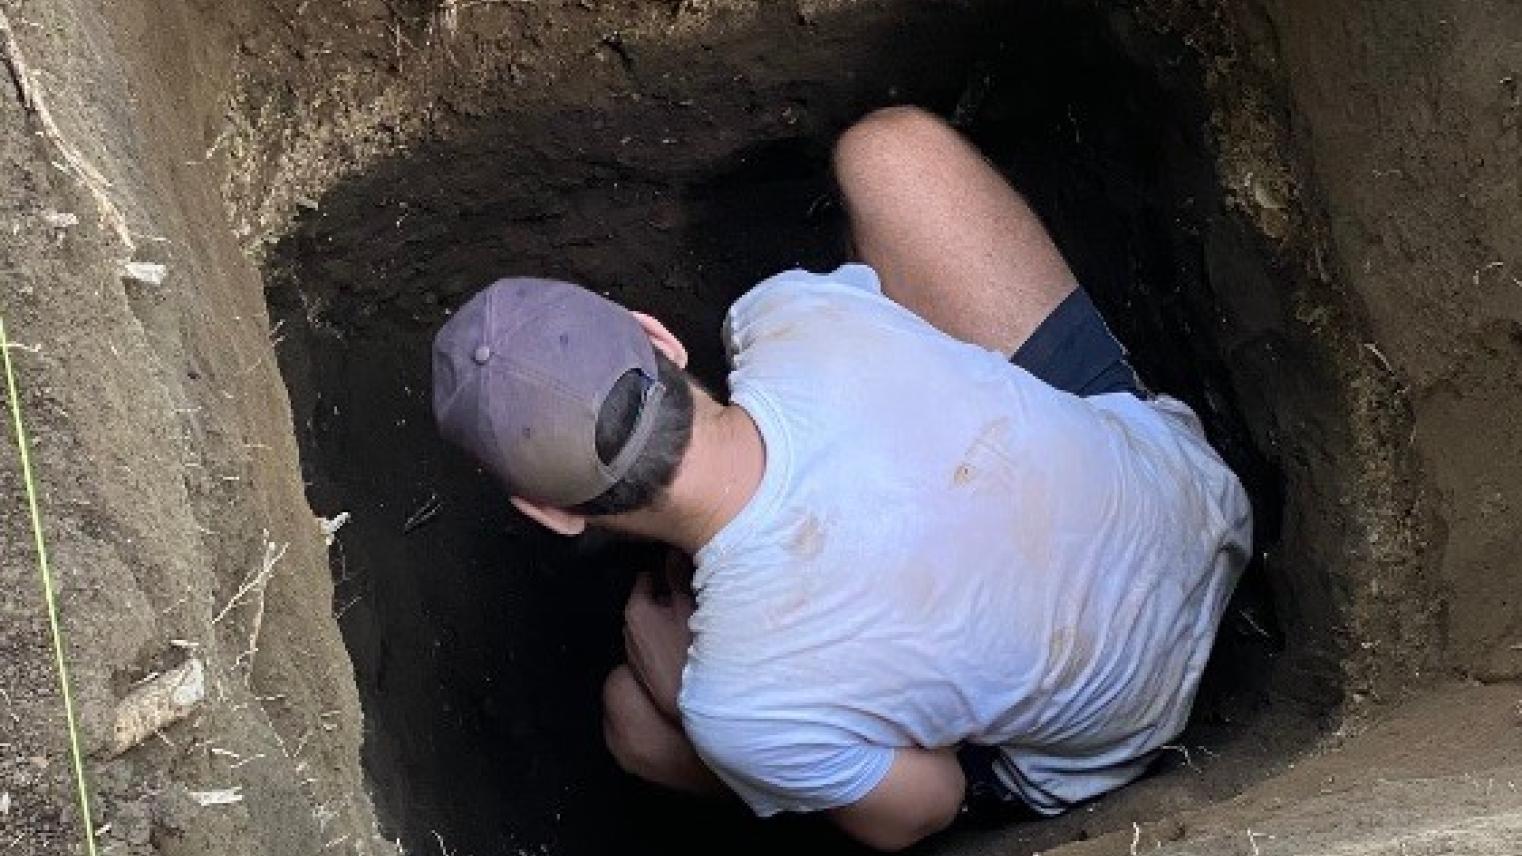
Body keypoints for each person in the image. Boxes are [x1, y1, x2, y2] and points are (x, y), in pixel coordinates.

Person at [431, 106, 1252, 851]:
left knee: (634, 720)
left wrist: (698, 701)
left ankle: (797, 751)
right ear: (660, 339)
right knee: (889, 154)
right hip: (1189, 500)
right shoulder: (786, 314)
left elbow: (928, 805)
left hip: (1121, 730)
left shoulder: (739, 702)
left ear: (550, 513)